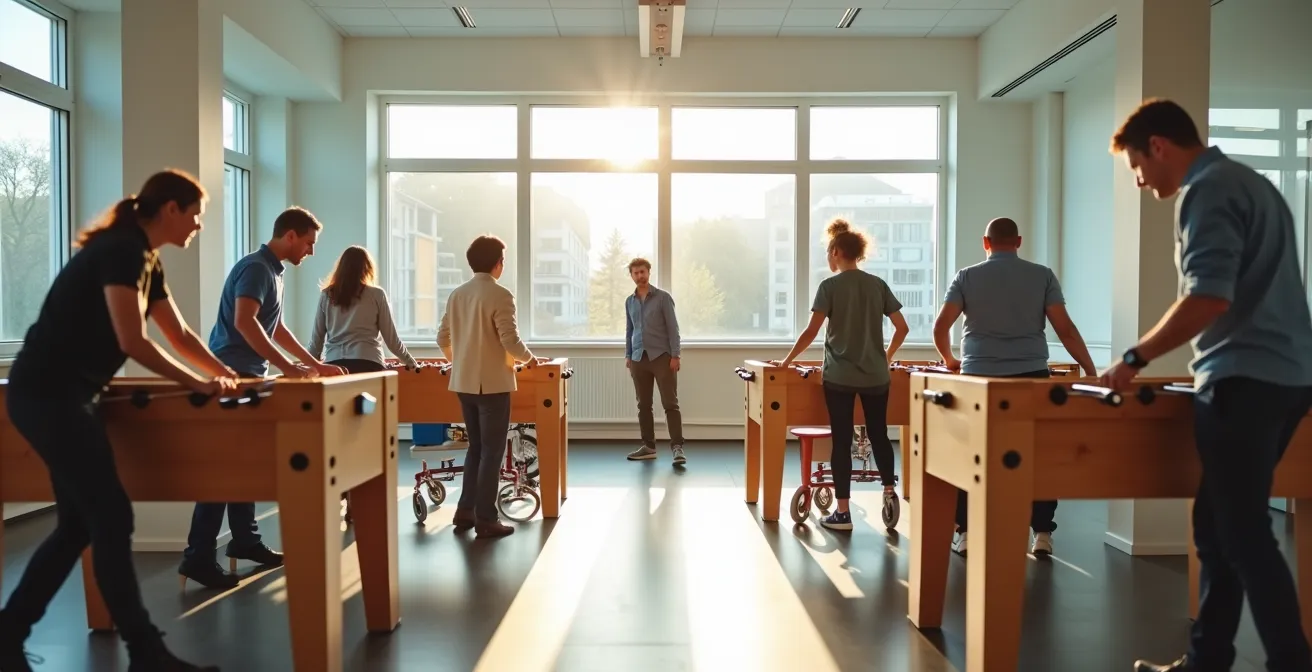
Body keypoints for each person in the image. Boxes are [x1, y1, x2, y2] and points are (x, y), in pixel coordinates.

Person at [1098, 100, 1312, 672]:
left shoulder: (1206, 191)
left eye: (1137, 168)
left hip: (1245, 378)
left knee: (1241, 533)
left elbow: (1209, 297)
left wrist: (1134, 358)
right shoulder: (1252, 183)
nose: (1141, 183)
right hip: (1289, 375)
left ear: (1158, 147)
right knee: (1216, 530)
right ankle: (1206, 660)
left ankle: (1290, 662)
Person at [0, 170, 232, 672]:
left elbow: (182, 336)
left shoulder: (145, 259)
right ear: (170, 208)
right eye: (195, 214)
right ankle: (145, 652)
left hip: (65, 396)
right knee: (110, 517)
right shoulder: (121, 250)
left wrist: (229, 376)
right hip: (48, 394)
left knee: (78, 526)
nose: (197, 225)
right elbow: (133, 341)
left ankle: (8, 634)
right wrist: (195, 384)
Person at [179, 206, 344, 590]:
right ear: (289, 235)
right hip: (232, 378)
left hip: (251, 377)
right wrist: (287, 369)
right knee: (222, 469)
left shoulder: (274, 272)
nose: (310, 251)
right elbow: (244, 322)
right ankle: (198, 557)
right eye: (308, 242)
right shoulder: (256, 268)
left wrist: (312, 363)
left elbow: (276, 327)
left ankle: (245, 541)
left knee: (244, 465)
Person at [931, 216, 1098, 557]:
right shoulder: (1042, 275)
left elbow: (941, 326)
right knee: (1039, 454)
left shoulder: (967, 276)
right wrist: (1090, 369)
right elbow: (1065, 330)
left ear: (985, 242)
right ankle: (1042, 534)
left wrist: (950, 360)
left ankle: (965, 532)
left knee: (970, 453)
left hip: (979, 377)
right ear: (1019, 242)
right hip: (1031, 375)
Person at [773, 219, 909, 531]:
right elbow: (902, 328)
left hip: (840, 378)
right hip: (877, 377)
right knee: (879, 435)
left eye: (827, 252)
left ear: (835, 252)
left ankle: (843, 513)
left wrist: (787, 360)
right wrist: (884, 358)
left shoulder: (829, 287)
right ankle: (889, 494)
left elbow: (811, 332)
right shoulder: (877, 284)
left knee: (842, 439)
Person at [438, 235, 535, 539]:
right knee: (492, 452)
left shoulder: (457, 294)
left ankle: (465, 511)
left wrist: (460, 360)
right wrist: (530, 360)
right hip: (492, 385)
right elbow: (509, 339)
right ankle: (486, 517)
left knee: (476, 449)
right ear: (498, 264)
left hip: (463, 383)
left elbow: (443, 338)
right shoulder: (501, 294)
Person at [308, 245, 418, 374]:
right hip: (368, 362)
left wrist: (309, 367)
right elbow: (392, 340)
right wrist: (411, 363)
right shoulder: (377, 294)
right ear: (367, 268)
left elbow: (316, 342)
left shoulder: (327, 295)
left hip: (334, 364)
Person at [623, 258, 686, 466]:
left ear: (649, 273)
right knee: (643, 405)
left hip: (662, 358)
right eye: (636, 273)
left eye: (643, 272)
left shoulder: (663, 298)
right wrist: (628, 355)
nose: (640, 276)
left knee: (670, 404)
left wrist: (675, 355)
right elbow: (630, 330)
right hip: (638, 358)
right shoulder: (629, 301)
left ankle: (677, 448)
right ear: (631, 276)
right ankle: (648, 447)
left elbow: (673, 328)